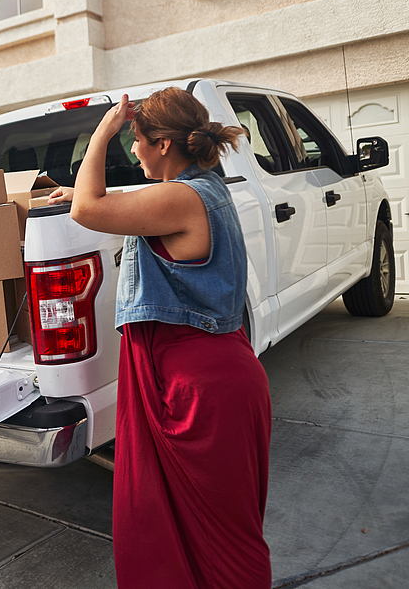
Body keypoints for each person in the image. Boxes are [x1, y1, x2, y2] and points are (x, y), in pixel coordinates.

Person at [69, 88, 272, 588]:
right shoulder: (202, 189)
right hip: (214, 376)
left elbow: (85, 209)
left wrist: (102, 130)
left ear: (162, 145)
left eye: (135, 141)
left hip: (197, 390)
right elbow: (119, 205)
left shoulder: (179, 198)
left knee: (224, 542)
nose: (131, 149)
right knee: (213, 534)